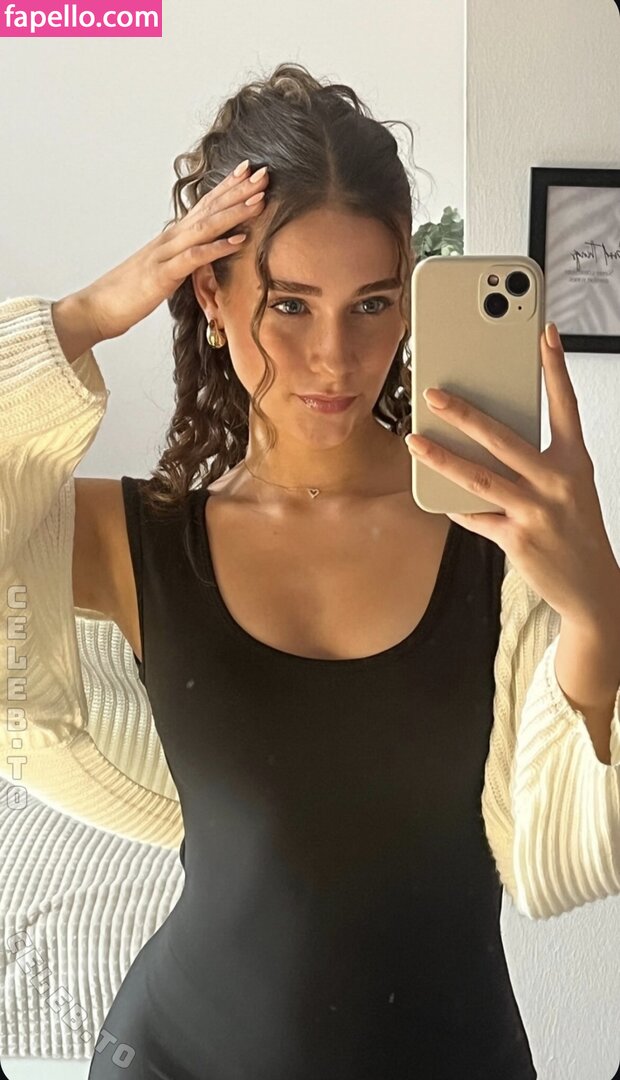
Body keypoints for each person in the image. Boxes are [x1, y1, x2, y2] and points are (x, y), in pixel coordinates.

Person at [2, 61, 620, 1080]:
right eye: (288, 305)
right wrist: (87, 314)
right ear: (208, 291)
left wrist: (599, 611)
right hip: (171, 1056)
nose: (335, 357)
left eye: (372, 304)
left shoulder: (502, 536)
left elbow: (568, 855)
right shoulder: (132, 539)